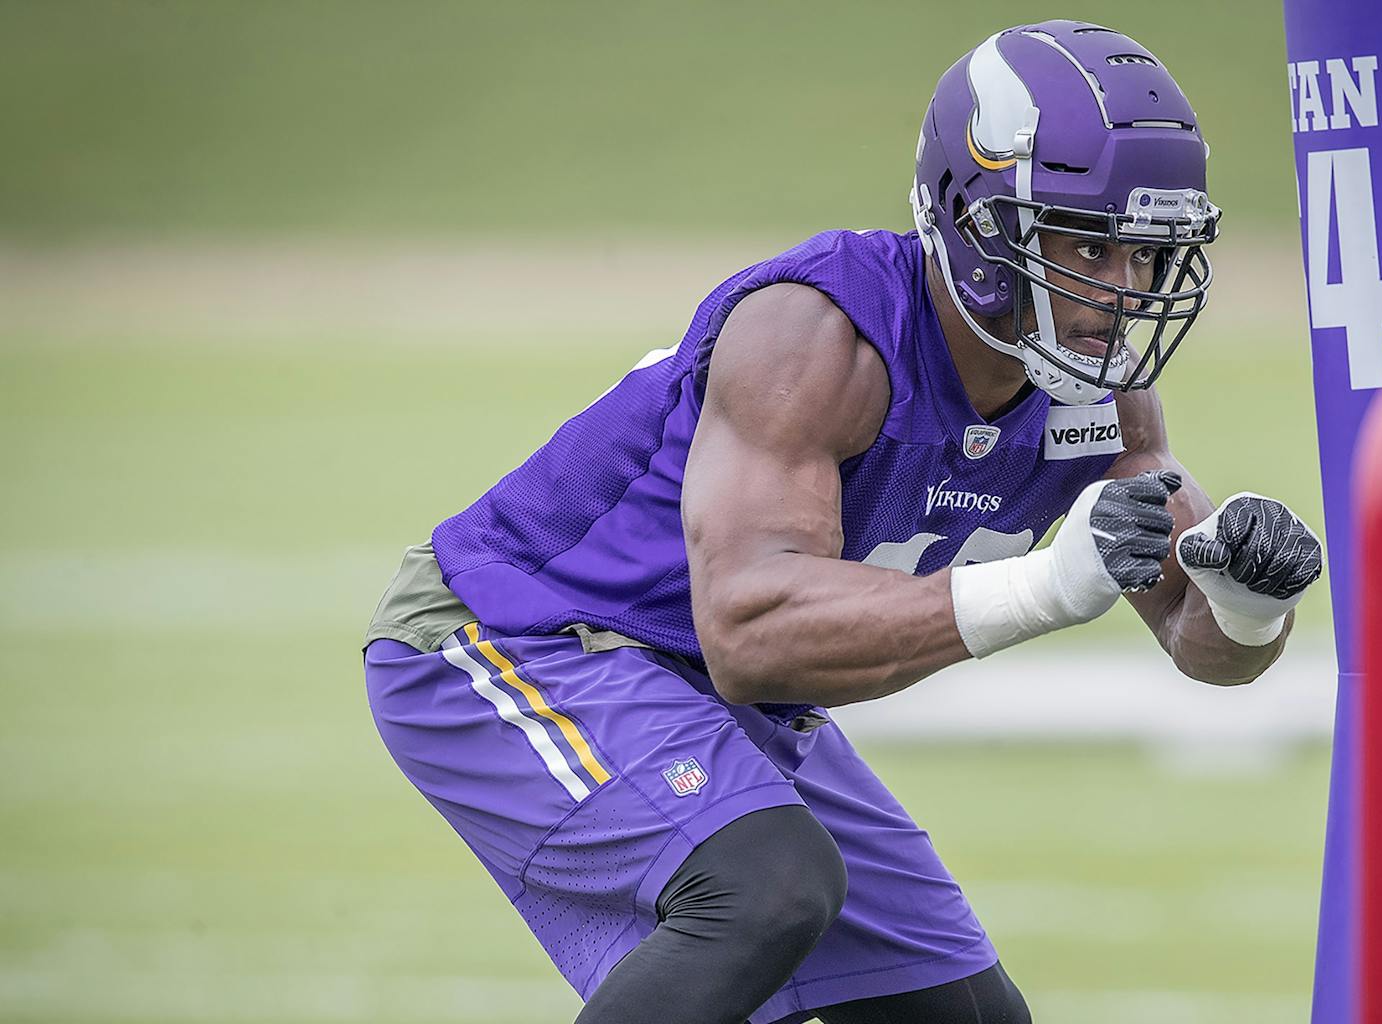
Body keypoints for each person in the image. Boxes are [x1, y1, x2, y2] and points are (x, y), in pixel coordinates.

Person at [362, 19, 1323, 1024]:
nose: (1122, 293)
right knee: (765, 888)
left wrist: (1246, 603)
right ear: (981, 224)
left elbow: (1201, 645)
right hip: (515, 637)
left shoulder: (1102, 399)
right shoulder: (816, 335)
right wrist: (1044, 588)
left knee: (966, 1015)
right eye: (1093, 243)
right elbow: (750, 631)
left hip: (704, 686)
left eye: (1146, 253)